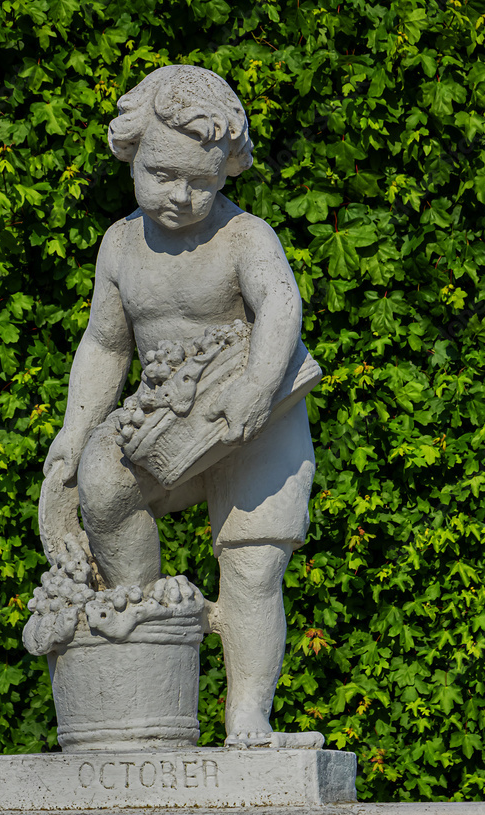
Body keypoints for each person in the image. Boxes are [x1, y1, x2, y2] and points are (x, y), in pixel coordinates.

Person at [43, 65, 317, 746]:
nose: (180, 195)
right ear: (132, 155)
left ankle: (247, 717)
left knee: (252, 565)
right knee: (102, 488)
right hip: (171, 423)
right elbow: (105, 346)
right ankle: (145, 629)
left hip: (258, 420)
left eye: (201, 180)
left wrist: (256, 385)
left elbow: (281, 304)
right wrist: (74, 434)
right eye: (162, 174)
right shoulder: (119, 245)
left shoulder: (244, 235)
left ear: (226, 173)